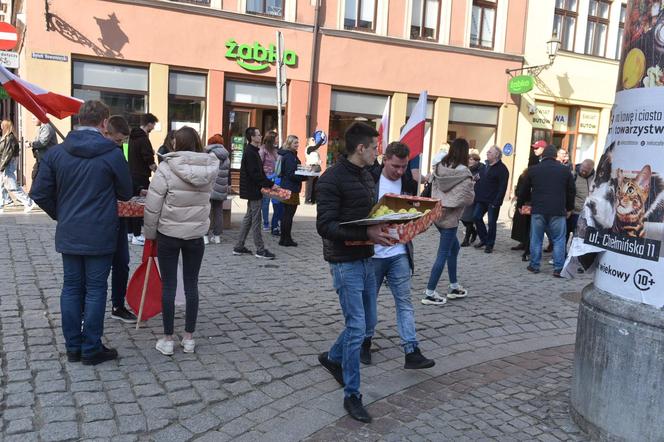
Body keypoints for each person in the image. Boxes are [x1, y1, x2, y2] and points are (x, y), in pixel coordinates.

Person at [29, 100, 132, 365]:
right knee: (96, 289)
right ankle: (91, 348)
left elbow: (39, 193)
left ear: (78, 121)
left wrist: (62, 214)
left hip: (71, 231)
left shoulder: (56, 154)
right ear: (104, 123)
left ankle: (74, 347)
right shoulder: (112, 153)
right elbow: (125, 192)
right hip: (100, 232)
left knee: (72, 288)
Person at [316, 122, 395, 424]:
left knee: (368, 322)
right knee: (357, 326)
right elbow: (324, 226)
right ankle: (353, 394)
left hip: (366, 257)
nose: (378, 151)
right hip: (344, 261)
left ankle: (332, 357)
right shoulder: (330, 180)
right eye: (375, 147)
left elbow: (367, 215)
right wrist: (368, 232)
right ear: (361, 148)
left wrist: (390, 221)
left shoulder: (365, 174)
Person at [143, 126, 218, 355]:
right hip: (195, 235)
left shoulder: (166, 168)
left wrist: (150, 234)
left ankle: (167, 339)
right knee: (191, 284)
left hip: (169, 233)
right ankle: (188, 338)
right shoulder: (209, 167)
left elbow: (153, 206)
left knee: (169, 285)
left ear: (176, 144)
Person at [363, 141, 435, 369]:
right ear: (385, 159)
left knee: (404, 302)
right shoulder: (369, 179)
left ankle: (411, 350)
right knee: (368, 302)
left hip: (399, 252)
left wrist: (420, 222)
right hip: (372, 253)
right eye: (395, 166)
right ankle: (364, 341)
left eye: (404, 166)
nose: (400, 171)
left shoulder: (408, 182)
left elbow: (411, 211)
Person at [423, 138, 475, 305]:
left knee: (455, 247)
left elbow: (435, 188)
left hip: (438, 214)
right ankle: (430, 292)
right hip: (450, 219)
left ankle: (453, 285)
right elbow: (466, 198)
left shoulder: (440, 166)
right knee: (442, 254)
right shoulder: (464, 172)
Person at [518, 145, 575, 277]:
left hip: (538, 209)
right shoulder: (564, 170)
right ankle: (558, 268)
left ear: (542, 156)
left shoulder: (533, 170)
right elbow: (571, 191)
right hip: (558, 210)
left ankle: (534, 265)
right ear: (555, 156)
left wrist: (520, 205)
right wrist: (569, 208)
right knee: (559, 239)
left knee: (536, 238)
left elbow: (524, 190)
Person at [103, 115, 138, 323]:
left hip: (118, 217)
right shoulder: (104, 153)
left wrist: (137, 189)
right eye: (118, 141)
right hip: (102, 218)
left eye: (123, 142)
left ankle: (117, 304)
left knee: (122, 263)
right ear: (106, 131)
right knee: (99, 268)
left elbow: (125, 185)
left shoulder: (116, 152)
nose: (121, 145)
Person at [233, 127, 276, 259]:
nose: (260, 136)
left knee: (248, 219)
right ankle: (260, 250)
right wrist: (270, 184)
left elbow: (258, 173)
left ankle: (239, 247)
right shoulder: (251, 152)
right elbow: (255, 174)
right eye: (258, 134)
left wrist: (268, 183)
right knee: (256, 220)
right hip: (253, 191)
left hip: (253, 190)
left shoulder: (253, 151)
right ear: (252, 137)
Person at [127, 113, 158, 246]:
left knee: (131, 204)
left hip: (131, 174)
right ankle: (137, 235)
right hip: (141, 176)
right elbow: (148, 158)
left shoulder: (132, 137)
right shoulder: (143, 138)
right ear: (149, 123)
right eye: (153, 124)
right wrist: (157, 169)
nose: (154, 127)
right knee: (139, 206)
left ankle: (129, 233)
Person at [473, 145, 509, 253]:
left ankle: (490, 244)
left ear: (496, 155)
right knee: (476, 217)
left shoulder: (502, 169)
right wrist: (476, 177)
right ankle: (484, 239)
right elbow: (481, 176)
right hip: (482, 198)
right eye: (488, 151)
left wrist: (497, 202)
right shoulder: (485, 166)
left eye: (490, 152)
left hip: (493, 201)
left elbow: (502, 187)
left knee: (492, 223)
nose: (487, 153)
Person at [277, 135, 308, 247]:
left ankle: (284, 238)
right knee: (288, 215)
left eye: (297, 143)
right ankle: (286, 239)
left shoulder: (287, 154)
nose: (297, 145)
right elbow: (291, 174)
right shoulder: (290, 156)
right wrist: (305, 177)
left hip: (286, 186)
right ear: (290, 144)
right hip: (290, 188)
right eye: (295, 143)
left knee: (286, 214)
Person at [511, 151, 541, 262]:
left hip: (527, 204)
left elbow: (521, 190)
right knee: (530, 227)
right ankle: (526, 247)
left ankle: (527, 248)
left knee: (527, 226)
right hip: (534, 204)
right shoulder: (532, 174)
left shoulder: (527, 174)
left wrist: (519, 202)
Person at [0, 120, 34, 214]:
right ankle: (3, 203)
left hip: (7, 164)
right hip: (6, 163)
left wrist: (2, 166)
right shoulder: (6, 137)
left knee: (12, 186)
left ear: (6, 126)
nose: (1, 127)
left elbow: (7, 154)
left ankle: (28, 202)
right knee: (1, 185)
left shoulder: (10, 138)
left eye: (2, 125)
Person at [205, 134, 231, 245]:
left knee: (206, 212)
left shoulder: (211, 154)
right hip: (221, 188)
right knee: (218, 211)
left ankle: (205, 237)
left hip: (210, 187)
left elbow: (207, 171)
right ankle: (217, 237)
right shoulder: (226, 156)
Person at [259, 131, 282, 235]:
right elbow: (259, 164)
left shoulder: (276, 150)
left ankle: (276, 222)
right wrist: (264, 177)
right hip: (266, 178)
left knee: (276, 201)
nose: (278, 140)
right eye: (277, 138)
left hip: (275, 178)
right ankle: (266, 223)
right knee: (266, 202)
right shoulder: (263, 149)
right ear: (272, 139)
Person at [460, 152, 482, 246]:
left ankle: (466, 240)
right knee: (463, 218)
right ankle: (473, 231)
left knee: (468, 218)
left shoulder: (480, 170)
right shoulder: (466, 169)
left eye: (471, 159)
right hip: (465, 195)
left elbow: (479, 181)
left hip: (474, 196)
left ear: (476, 161)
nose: (469, 160)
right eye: (469, 159)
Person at [30, 116, 57, 180]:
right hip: (42, 159)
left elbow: (42, 142)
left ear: (39, 118)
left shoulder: (46, 127)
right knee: (36, 177)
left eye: (34, 118)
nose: (32, 121)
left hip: (47, 159)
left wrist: (31, 144)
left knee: (38, 178)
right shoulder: (43, 127)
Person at [304, 138, 322, 204]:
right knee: (309, 185)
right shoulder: (309, 148)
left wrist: (319, 161)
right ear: (308, 142)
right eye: (312, 140)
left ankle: (313, 199)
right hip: (310, 167)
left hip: (316, 167)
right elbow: (316, 146)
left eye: (314, 140)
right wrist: (322, 139)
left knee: (316, 184)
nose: (314, 141)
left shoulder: (315, 150)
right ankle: (307, 200)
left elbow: (318, 158)